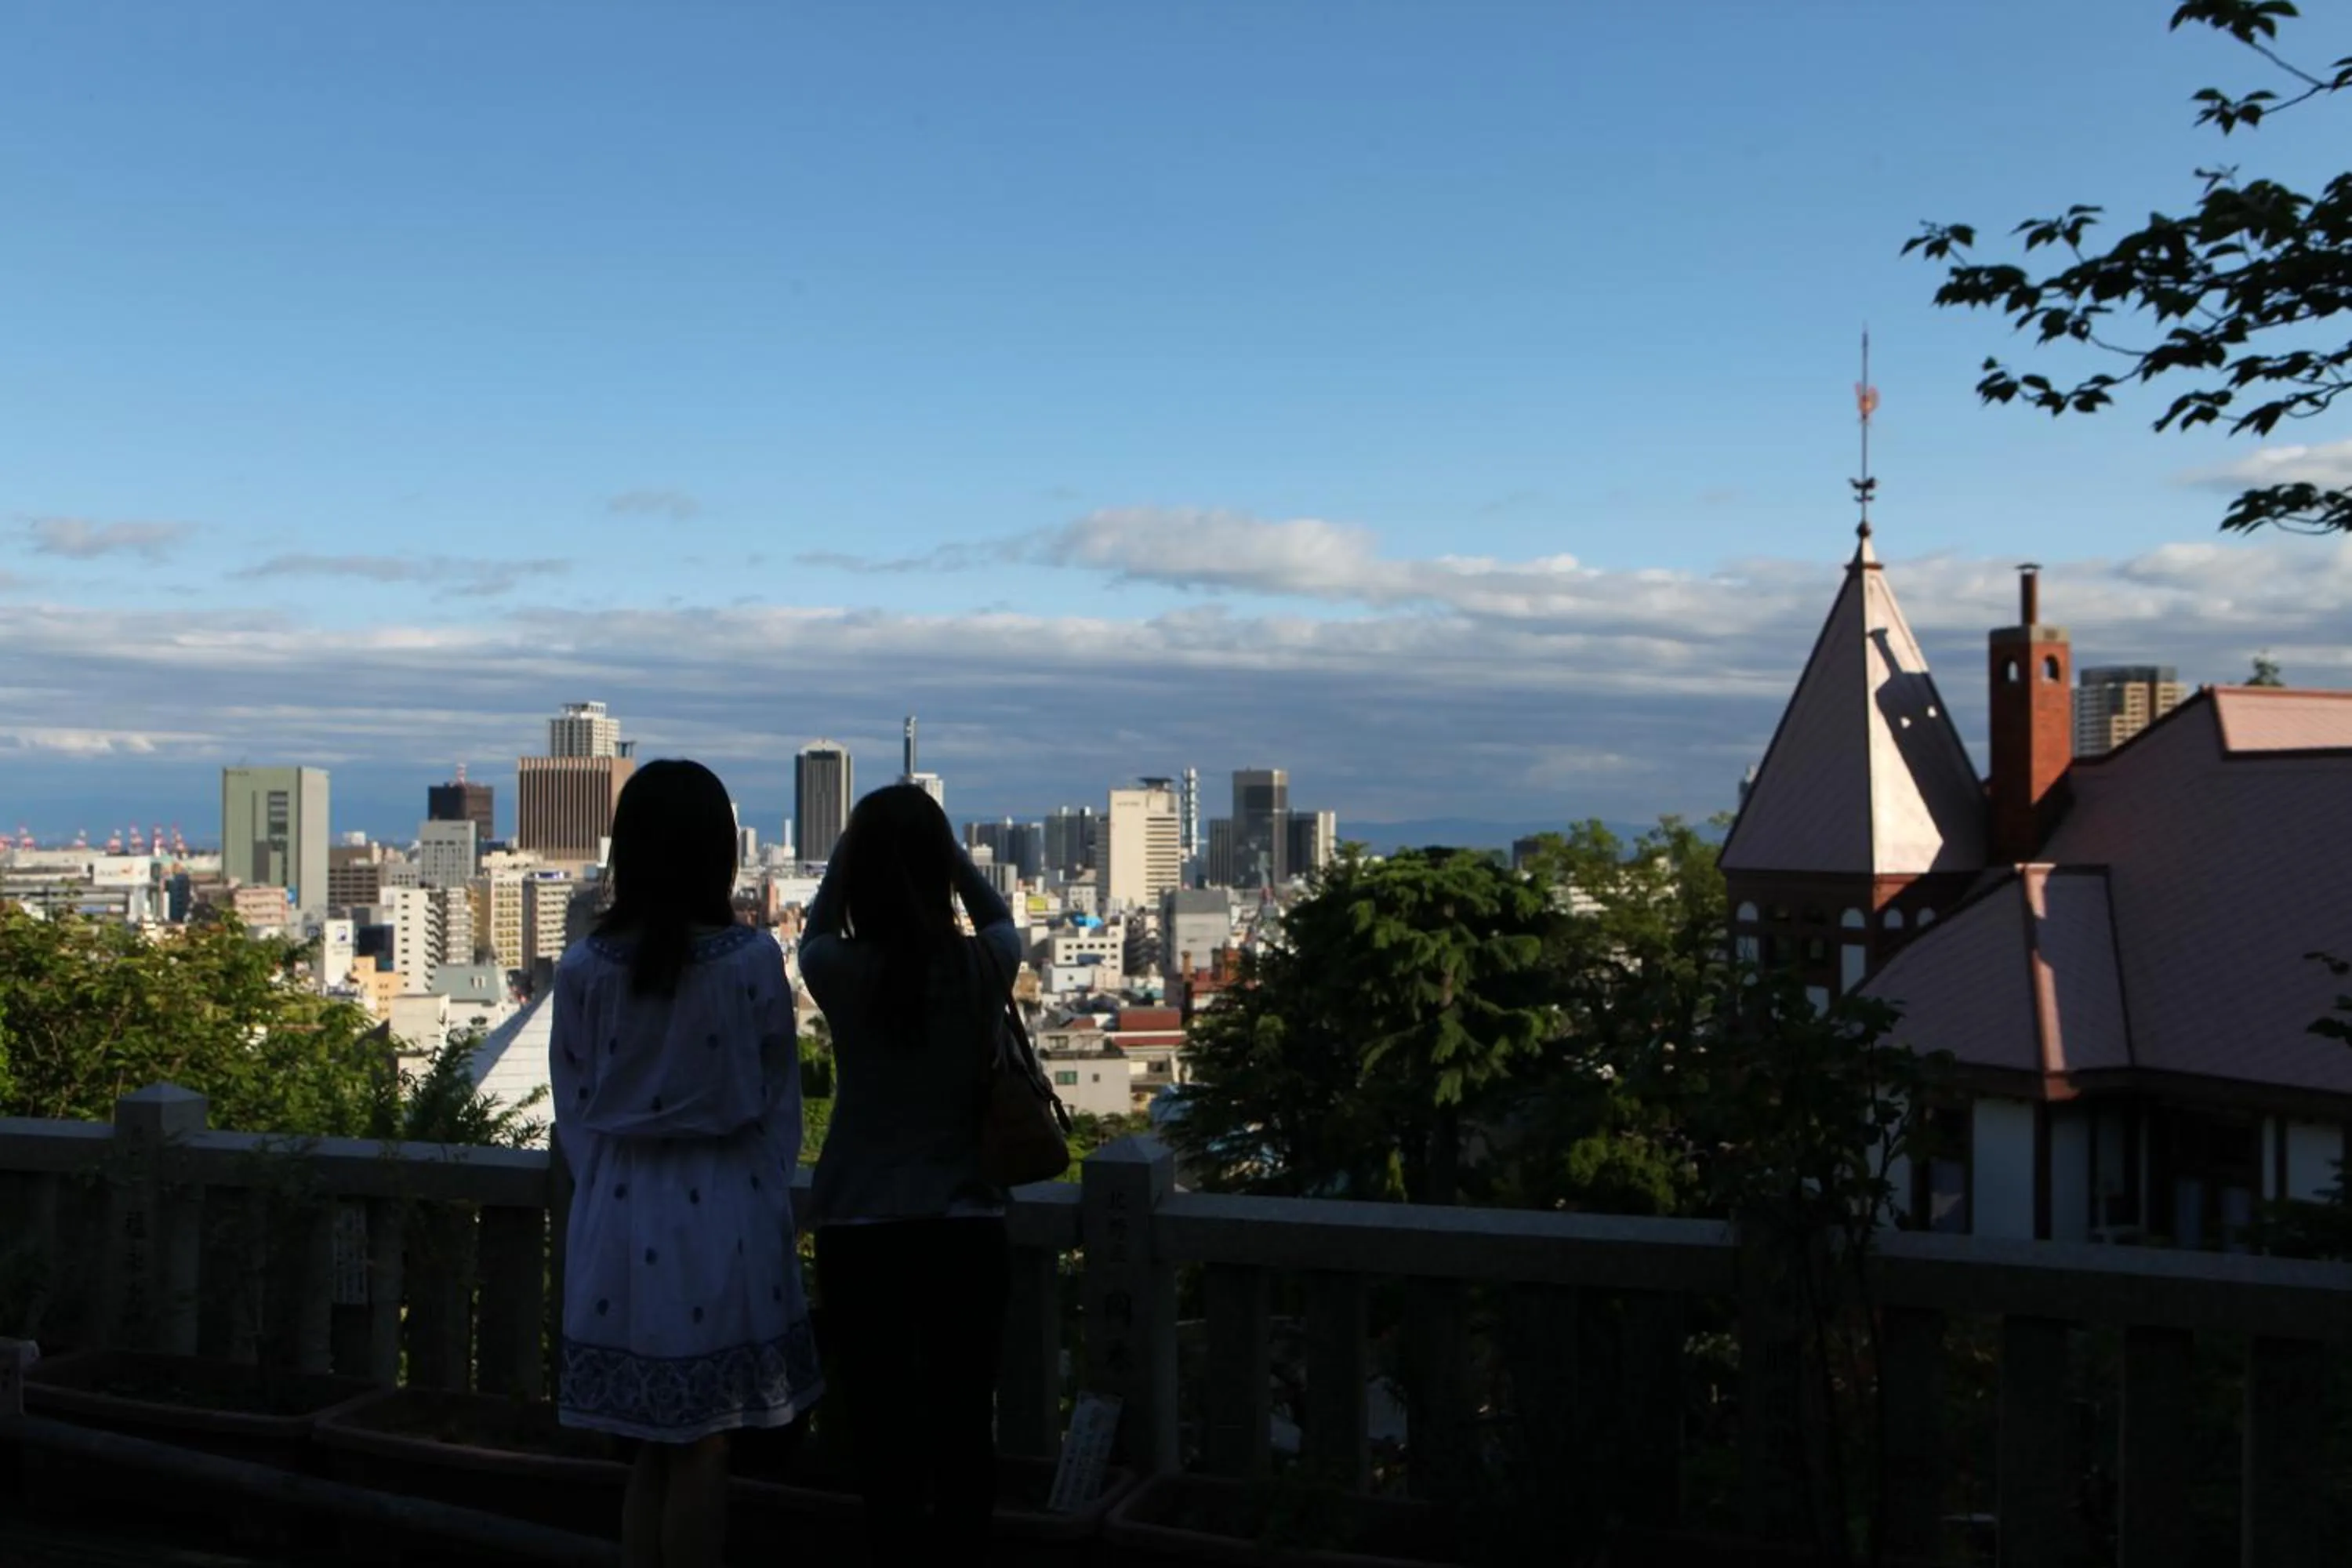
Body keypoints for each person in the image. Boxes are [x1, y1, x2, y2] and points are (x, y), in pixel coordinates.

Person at [550, 759, 820, 1568]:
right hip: (724, 1208)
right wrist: (760, 1184)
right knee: (705, 1443)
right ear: (718, 853)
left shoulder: (584, 966)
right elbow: (778, 1097)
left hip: (619, 1209)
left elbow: (575, 1105)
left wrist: (611, 1179)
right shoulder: (747, 960)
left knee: (651, 1446)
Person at [801, 783, 1021, 1566]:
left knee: (881, 1428)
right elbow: (1002, 920)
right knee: (966, 1424)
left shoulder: (838, 969)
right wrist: (955, 858)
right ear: (939, 868)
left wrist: (849, 855)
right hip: (966, 1223)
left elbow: (814, 926)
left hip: (860, 1226)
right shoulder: (983, 966)